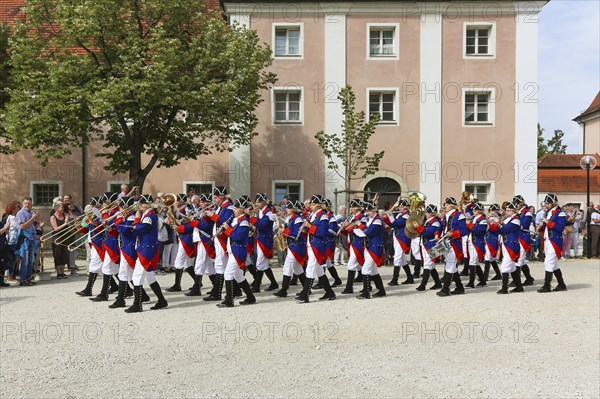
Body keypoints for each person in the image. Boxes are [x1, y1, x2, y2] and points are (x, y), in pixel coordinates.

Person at [125, 194, 168, 312]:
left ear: (146, 205)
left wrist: (137, 219)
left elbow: (139, 229)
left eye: (140, 204)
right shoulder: (148, 214)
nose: (139, 206)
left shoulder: (149, 216)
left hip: (147, 249)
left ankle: (137, 305)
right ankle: (162, 300)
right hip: (145, 248)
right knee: (150, 277)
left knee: (137, 276)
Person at [295, 195, 336, 303]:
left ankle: (305, 295)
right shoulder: (313, 215)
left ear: (318, 205)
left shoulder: (323, 216)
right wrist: (304, 230)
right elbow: (311, 230)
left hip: (317, 245)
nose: (310, 206)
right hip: (311, 245)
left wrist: (310, 226)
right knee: (319, 271)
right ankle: (330, 292)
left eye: (312, 204)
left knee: (310, 269)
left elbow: (322, 233)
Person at [217, 196, 257, 307]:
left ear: (241, 210)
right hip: (234, 250)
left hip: (238, 251)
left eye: (235, 209)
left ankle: (229, 301)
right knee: (239, 276)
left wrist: (227, 229)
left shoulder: (244, 221)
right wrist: (224, 231)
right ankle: (250, 297)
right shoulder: (238, 220)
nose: (233, 211)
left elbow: (238, 237)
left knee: (228, 275)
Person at [204, 186, 234, 301]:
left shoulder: (228, 207)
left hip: (223, 239)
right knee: (223, 265)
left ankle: (217, 293)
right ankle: (234, 290)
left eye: (216, 197)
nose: (214, 200)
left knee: (220, 265)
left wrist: (213, 215)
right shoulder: (220, 207)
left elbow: (225, 221)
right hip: (218, 238)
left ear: (221, 197)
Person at [274, 200, 307, 297]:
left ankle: (284, 290)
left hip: (296, 246)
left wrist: (284, 231)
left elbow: (297, 234)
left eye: (288, 208)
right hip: (292, 246)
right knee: (298, 269)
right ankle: (306, 289)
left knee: (287, 267)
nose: (286, 210)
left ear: (293, 209)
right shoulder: (291, 218)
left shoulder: (297, 219)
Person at [489, 202, 523, 294]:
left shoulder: (516, 219)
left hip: (511, 245)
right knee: (512, 267)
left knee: (505, 266)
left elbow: (504, 229)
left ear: (513, 211)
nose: (506, 212)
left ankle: (504, 288)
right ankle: (519, 287)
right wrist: (492, 224)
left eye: (508, 210)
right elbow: (498, 230)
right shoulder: (508, 219)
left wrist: (498, 222)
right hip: (505, 243)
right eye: (506, 210)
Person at [185, 194, 216, 297]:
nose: (203, 204)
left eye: (204, 202)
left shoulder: (210, 212)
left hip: (205, 238)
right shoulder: (203, 211)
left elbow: (206, 226)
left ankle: (196, 288)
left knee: (199, 263)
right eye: (202, 202)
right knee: (208, 266)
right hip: (201, 238)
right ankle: (216, 287)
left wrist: (193, 222)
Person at [436, 197, 468, 297]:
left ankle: (445, 289)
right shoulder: (446, 215)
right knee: (434, 255)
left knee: (450, 264)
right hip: (445, 242)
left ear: (451, 205)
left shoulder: (459, 215)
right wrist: (437, 233)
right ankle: (459, 287)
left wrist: (453, 234)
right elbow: (441, 227)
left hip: (454, 243)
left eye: (446, 204)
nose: (444, 206)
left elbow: (464, 231)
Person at [537, 194, 568, 293]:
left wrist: (547, 222)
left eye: (548, 203)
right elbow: (546, 227)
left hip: (554, 240)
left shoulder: (560, 213)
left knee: (549, 262)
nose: (546, 205)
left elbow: (559, 228)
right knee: (554, 264)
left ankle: (547, 286)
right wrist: (541, 226)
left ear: (553, 203)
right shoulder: (548, 213)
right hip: (547, 239)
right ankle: (561, 284)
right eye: (546, 203)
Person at [356, 200, 386, 299]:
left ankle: (366, 293)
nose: (367, 213)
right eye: (366, 211)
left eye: (369, 211)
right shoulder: (371, 220)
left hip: (374, 247)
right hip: (369, 246)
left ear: (373, 210)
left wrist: (360, 225)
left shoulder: (377, 220)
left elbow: (369, 232)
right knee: (374, 271)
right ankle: (381, 291)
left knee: (365, 270)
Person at [249, 193, 278, 292]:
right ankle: (274, 283)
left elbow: (261, 225)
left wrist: (252, 218)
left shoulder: (269, 213)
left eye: (259, 202)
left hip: (265, 240)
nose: (257, 204)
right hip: (260, 238)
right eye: (256, 202)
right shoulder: (261, 212)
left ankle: (256, 286)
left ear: (264, 202)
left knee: (259, 263)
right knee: (264, 264)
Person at [412, 204, 442, 291]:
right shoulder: (428, 221)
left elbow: (429, 233)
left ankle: (423, 285)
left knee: (427, 265)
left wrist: (418, 228)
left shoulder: (435, 222)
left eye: (427, 212)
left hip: (432, 245)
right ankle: (438, 283)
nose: (426, 214)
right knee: (431, 266)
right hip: (426, 245)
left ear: (430, 213)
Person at [384, 197, 414, 285]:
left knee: (397, 258)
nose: (399, 208)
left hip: (402, 239)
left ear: (405, 207)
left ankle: (395, 279)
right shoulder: (400, 215)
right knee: (403, 260)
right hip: (397, 238)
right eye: (399, 207)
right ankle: (410, 277)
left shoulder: (406, 216)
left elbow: (394, 224)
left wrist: (389, 214)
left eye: (401, 207)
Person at [340, 199, 366, 295]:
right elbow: (348, 230)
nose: (351, 209)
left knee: (351, 265)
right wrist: (344, 228)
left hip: (358, 243)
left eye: (352, 207)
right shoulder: (352, 217)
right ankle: (367, 286)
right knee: (361, 265)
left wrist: (349, 226)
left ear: (357, 208)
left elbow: (363, 229)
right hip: (352, 242)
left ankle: (349, 287)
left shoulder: (362, 217)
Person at [15, 197, 39, 286]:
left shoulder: (31, 212)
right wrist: (33, 218)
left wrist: (37, 219)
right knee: (24, 260)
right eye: (25, 203)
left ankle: (28, 278)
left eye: (29, 203)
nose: (27, 205)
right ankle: (23, 279)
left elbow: (34, 225)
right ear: (23, 203)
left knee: (31, 260)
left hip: (31, 238)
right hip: (24, 239)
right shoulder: (21, 213)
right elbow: (22, 226)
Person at [513, 195, 535, 286]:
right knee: (520, 260)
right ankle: (529, 278)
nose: (516, 206)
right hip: (518, 237)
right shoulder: (519, 213)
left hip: (523, 238)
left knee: (519, 259)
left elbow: (524, 225)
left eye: (516, 204)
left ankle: (516, 281)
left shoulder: (527, 213)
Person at [465, 202, 488, 288]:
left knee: (472, 262)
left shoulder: (483, 220)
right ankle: (482, 281)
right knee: (475, 262)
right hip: (472, 241)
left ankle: (471, 283)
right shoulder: (475, 218)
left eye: (474, 210)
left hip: (477, 242)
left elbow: (478, 231)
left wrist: (469, 224)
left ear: (478, 211)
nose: (473, 212)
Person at [49, 201, 71, 279]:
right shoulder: (53, 217)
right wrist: (65, 223)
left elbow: (69, 227)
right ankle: (59, 273)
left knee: (64, 255)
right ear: (56, 208)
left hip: (65, 237)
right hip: (57, 238)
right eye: (61, 207)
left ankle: (62, 271)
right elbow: (56, 229)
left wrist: (68, 223)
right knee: (57, 255)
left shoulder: (65, 215)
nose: (63, 209)